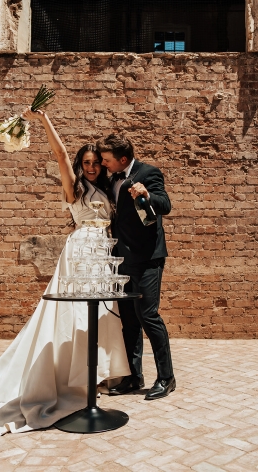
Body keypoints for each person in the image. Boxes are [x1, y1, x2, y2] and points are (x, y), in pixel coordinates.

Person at [0, 111, 130, 438]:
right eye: (86, 162)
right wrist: (43, 119)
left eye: (96, 162)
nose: (92, 167)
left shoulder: (109, 187)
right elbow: (58, 153)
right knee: (77, 315)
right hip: (82, 249)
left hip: (104, 251)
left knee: (102, 314)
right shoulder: (76, 187)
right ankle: (73, 379)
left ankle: (95, 377)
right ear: (79, 165)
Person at [96, 133, 175, 400]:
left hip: (147, 258)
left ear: (123, 159)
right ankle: (133, 376)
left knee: (148, 316)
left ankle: (166, 378)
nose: (103, 164)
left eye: (107, 160)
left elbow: (165, 205)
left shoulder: (149, 172)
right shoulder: (111, 179)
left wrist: (147, 194)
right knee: (128, 320)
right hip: (122, 258)